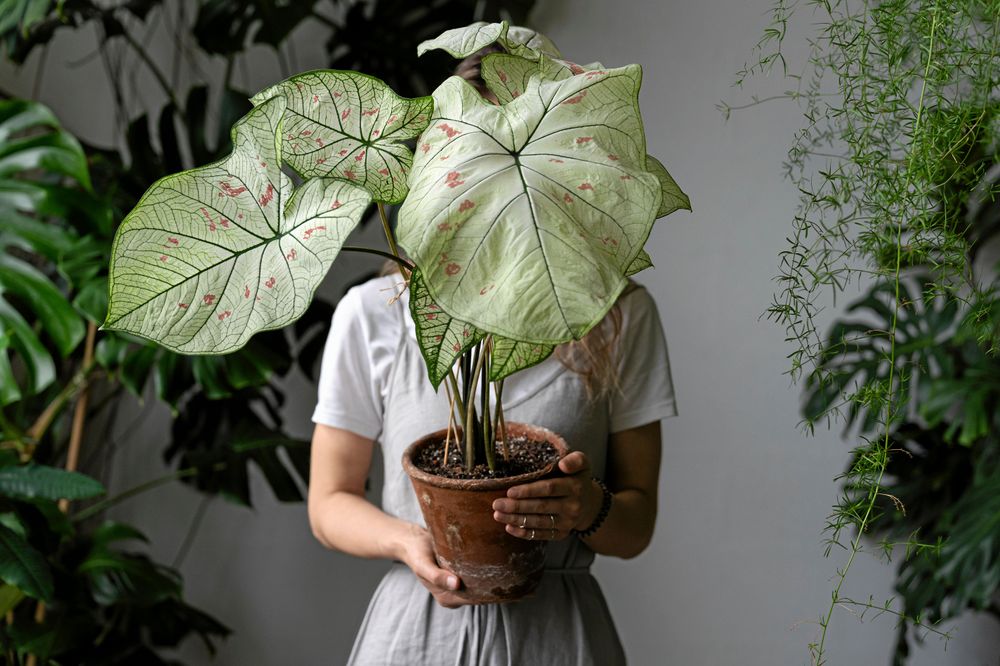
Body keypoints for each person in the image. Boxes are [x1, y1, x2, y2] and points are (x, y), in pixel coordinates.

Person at [307, 50, 678, 666]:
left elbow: (635, 528)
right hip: (418, 632)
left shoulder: (616, 314)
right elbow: (328, 504)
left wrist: (589, 506)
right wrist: (413, 544)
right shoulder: (375, 313)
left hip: (558, 637)